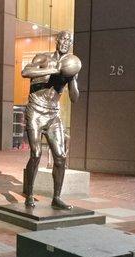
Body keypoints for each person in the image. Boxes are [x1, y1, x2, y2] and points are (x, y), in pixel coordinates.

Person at [20, 30, 81, 210]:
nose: (65, 42)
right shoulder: (43, 58)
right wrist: (55, 70)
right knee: (36, 153)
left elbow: (75, 98)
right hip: (36, 111)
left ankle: (56, 197)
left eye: (69, 40)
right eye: (63, 38)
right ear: (57, 40)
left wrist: (72, 79)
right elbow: (25, 72)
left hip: (53, 114)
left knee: (61, 157)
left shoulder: (70, 66)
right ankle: (29, 194)